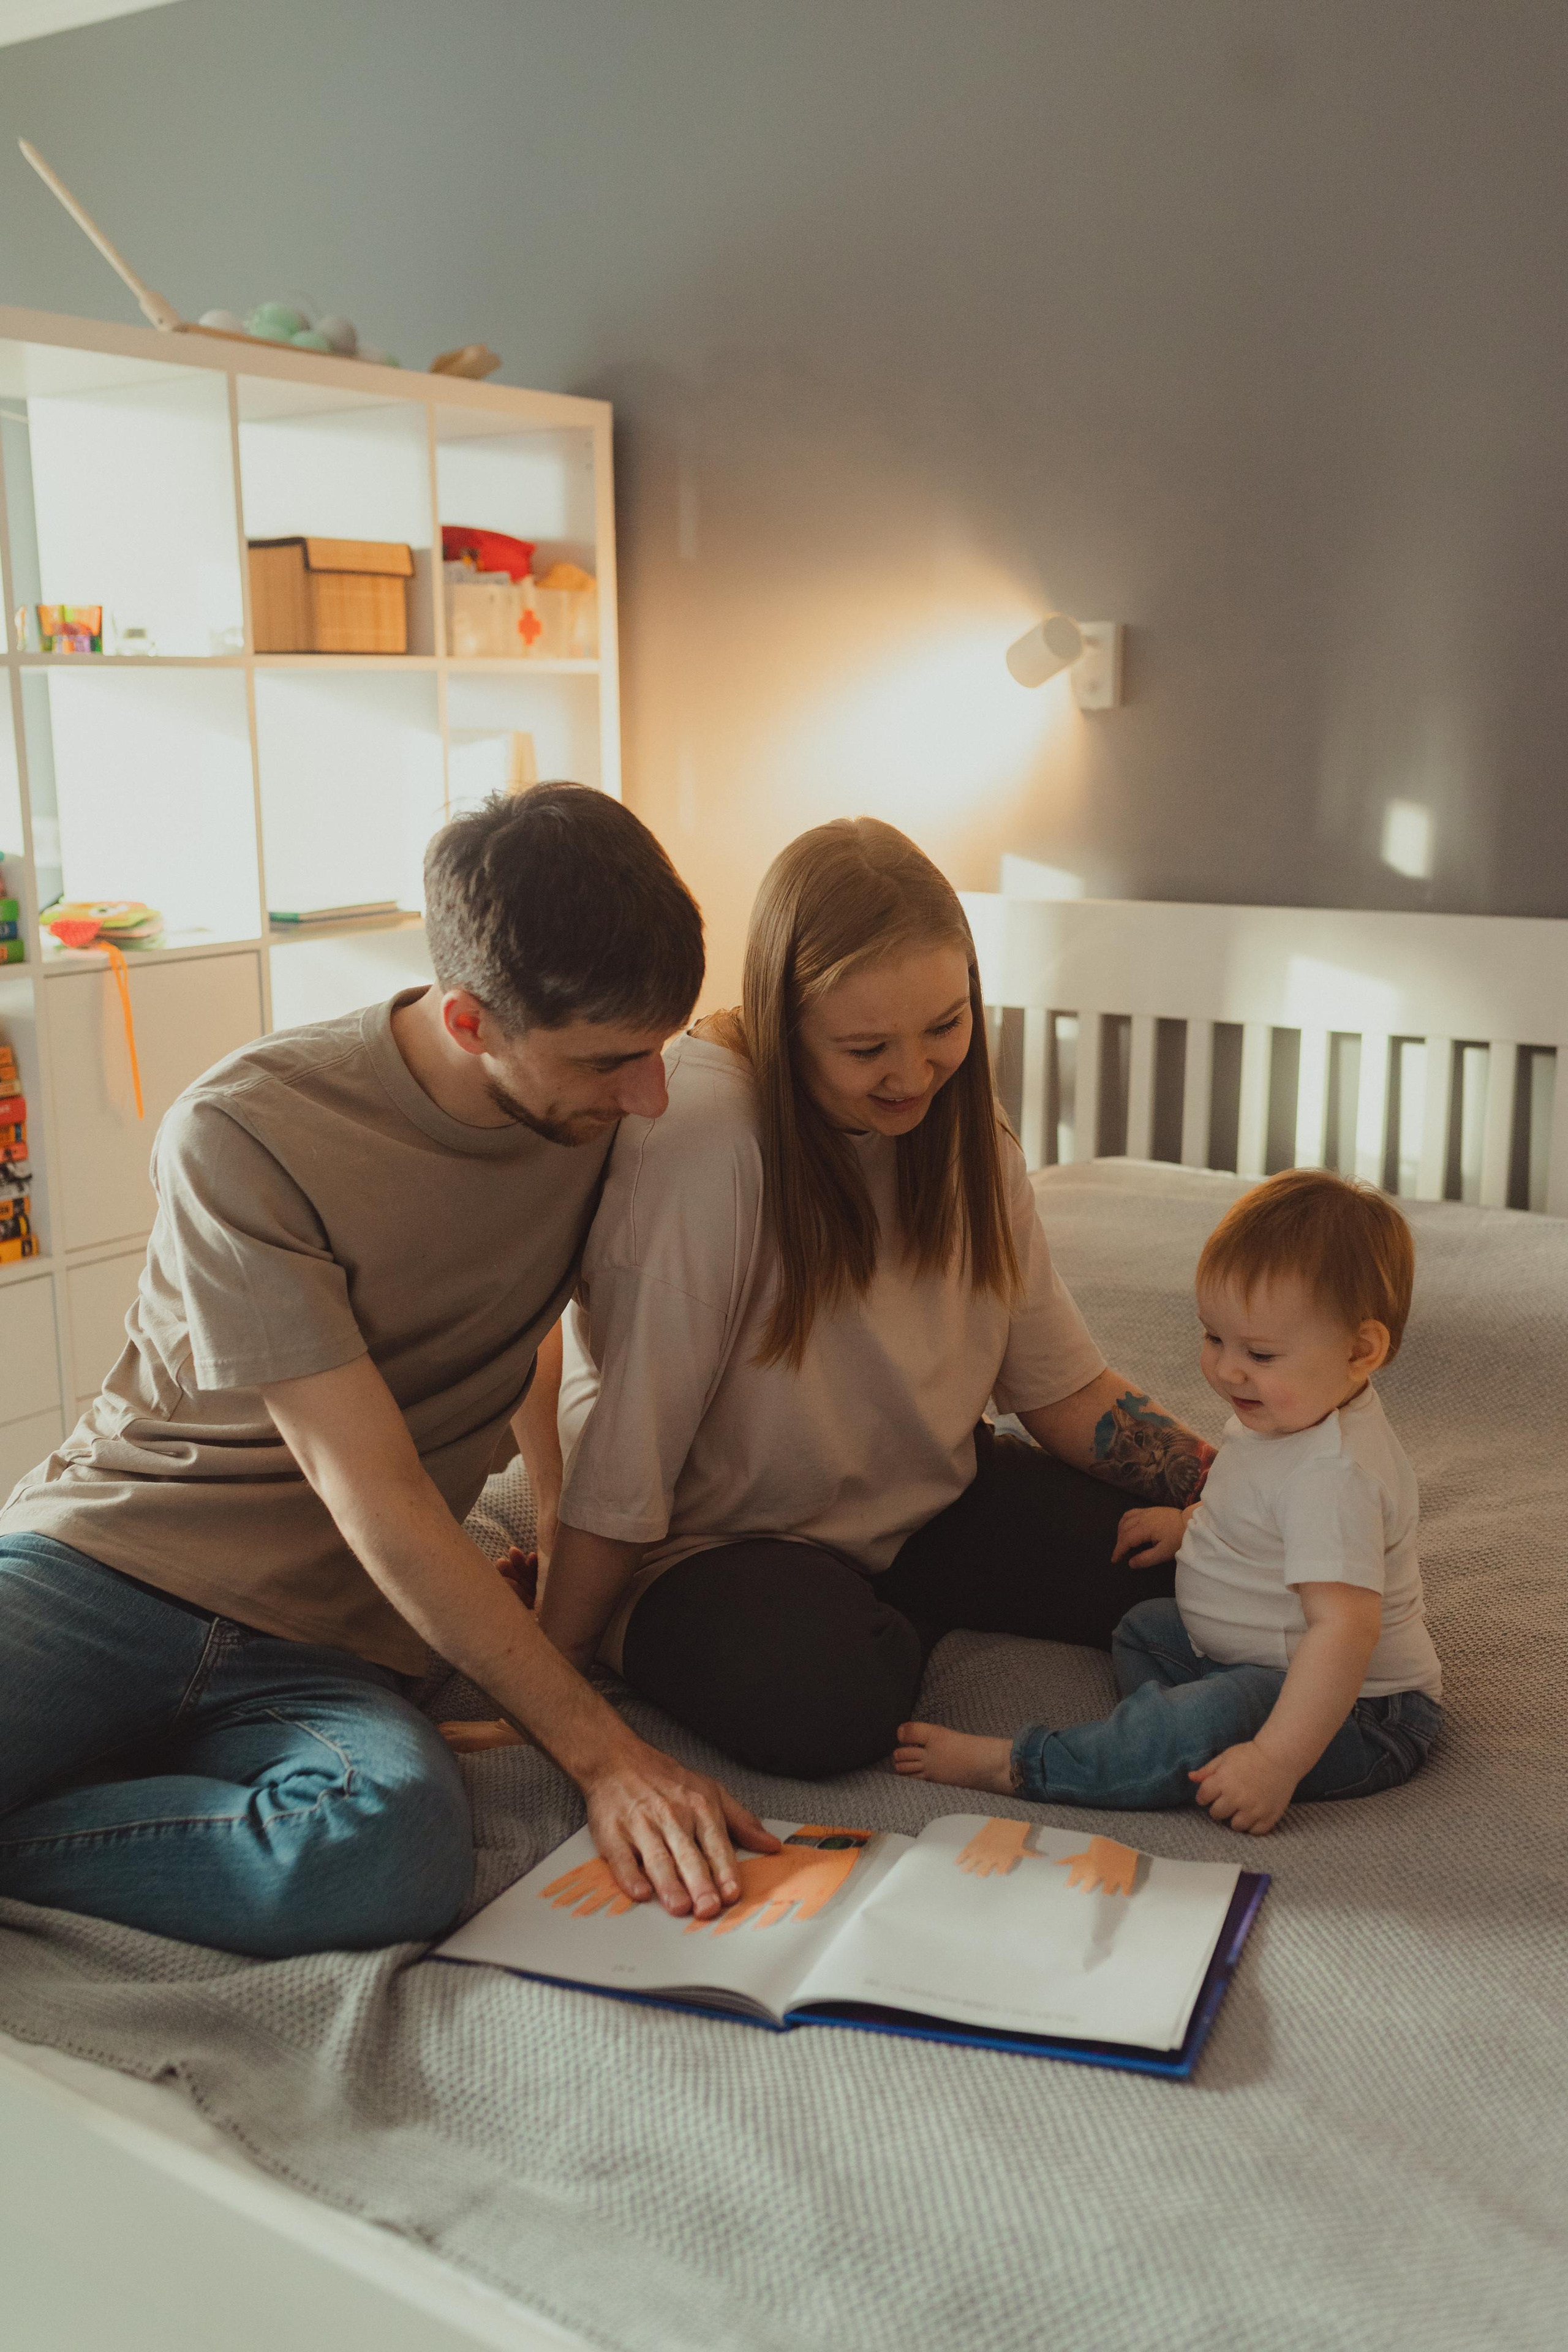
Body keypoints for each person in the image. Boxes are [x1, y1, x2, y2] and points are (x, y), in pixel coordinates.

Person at [0, 786, 777, 1959]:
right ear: (470, 1022)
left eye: (660, 1048)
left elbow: (515, 1314)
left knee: (388, 1849)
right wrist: (608, 1758)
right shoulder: (245, 1132)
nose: (650, 1095)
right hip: (110, 1566)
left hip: (326, 1646)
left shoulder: (595, 1115)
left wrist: (553, 1502)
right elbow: (370, 1485)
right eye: (612, 1061)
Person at [534, 817, 1216, 1778]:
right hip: (715, 1541)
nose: (914, 1075)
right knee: (828, 1704)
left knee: (1217, 1581)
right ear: (784, 1025)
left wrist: (1238, 1491)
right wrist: (549, 1680)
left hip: (925, 1501)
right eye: (866, 1049)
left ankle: (890, 1606)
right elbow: (628, 1454)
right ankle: (829, 1621)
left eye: (945, 1027)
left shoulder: (962, 1128)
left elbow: (1062, 1389)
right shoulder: (701, 1137)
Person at [896, 1169, 1444, 1833]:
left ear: (1361, 1351)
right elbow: (1253, 1504)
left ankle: (1033, 1764)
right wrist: (1191, 1526)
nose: (1228, 1370)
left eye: (1260, 1353)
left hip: (1355, 1713)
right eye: (1214, 1338)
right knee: (1144, 1628)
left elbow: (1344, 1632)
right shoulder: (1290, 1413)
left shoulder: (1334, 1477)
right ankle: (1165, 1742)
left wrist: (1274, 1760)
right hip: (1253, 1662)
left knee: (1212, 1714)